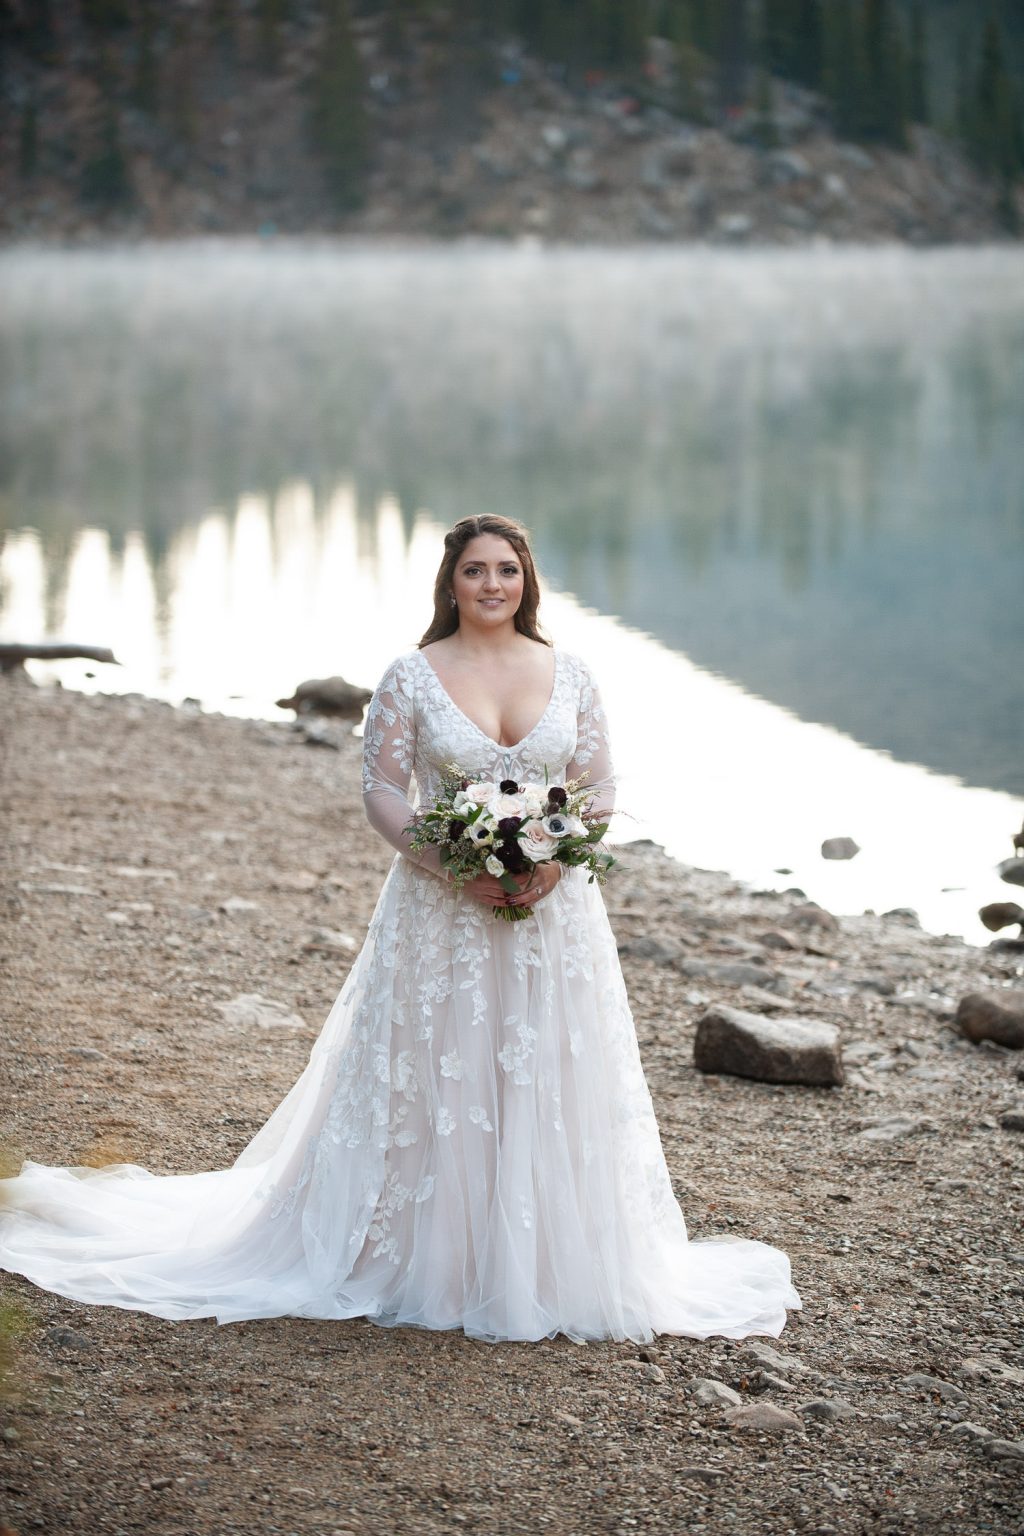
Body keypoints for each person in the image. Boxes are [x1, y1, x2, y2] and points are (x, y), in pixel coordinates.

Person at [0, 515, 800, 1344]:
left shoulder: (573, 674)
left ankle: (544, 1263)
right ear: (449, 583)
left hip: (552, 917)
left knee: (544, 1066)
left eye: (507, 571)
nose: (492, 585)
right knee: (435, 1072)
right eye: (476, 571)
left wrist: (554, 859)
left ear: (527, 582)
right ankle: (432, 1256)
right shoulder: (412, 677)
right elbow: (382, 791)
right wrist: (453, 864)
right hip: (439, 912)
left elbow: (597, 787)